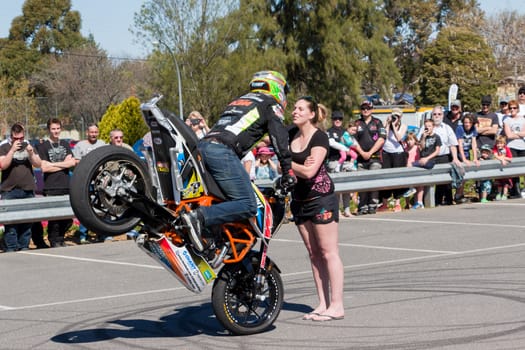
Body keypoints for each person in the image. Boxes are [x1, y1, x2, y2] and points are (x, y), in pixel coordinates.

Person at [181, 71, 296, 252]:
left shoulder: (240, 101)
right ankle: (199, 218)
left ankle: (211, 237)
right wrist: (288, 170)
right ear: (277, 87)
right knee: (247, 204)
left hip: (202, 148)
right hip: (222, 151)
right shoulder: (270, 103)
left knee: (222, 200)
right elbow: (279, 138)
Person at [288, 96, 344, 322]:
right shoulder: (290, 134)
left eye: (300, 109)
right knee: (313, 254)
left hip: (321, 199)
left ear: (311, 114)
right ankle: (323, 303)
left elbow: (310, 172)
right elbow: (301, 168)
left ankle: (337, 305)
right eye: (294, 108)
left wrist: (286, 161)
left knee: (329, 252)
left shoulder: (319, 136)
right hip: (299, 200)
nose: (295, 111)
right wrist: (297, 166)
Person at [0, 122, 42, 252]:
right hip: (9, 190)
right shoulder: (4, 146)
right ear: (11, 136)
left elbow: (38, 164)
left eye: (21, 138)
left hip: (27, 188)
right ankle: (11, 248)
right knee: (11, 223)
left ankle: (24, 246)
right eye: (16, 138)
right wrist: (12, 150)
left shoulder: (28, 145)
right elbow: (3, 165)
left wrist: (31, 154)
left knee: (26, 221)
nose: (19, 141)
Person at [37, 118, 76, 248]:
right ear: (49, 129)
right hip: (51, 187)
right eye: (53, 129)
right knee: (54, 218)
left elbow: (72, 163)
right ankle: (54, 241)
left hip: (65, 185)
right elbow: (44, 168)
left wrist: (54, 164)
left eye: (58, 128)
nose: (56, 131)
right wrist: (63, 164)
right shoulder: (42, 146)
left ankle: (61, 238)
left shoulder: (65, 144)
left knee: (67, 217)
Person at [418, 106, 460, 206]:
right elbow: (419, 145)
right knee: (430, 180)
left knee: (445, 182)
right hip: (429, 158)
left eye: (439, 114)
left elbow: (453, 144)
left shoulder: (446, 128)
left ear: (442, 115)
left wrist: (455, 158)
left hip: (443, 157)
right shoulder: (424, 127)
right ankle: (432, 202)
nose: (437, 116)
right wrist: (423, 136)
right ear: (431, 115)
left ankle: (448, 201)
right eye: (435, 114)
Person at [72, 123, 106, 243]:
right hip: (85, 182)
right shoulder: (80, 146)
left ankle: (101, 234)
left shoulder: (102, 144)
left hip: (100, 182)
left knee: (101, 209)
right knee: (85, 209)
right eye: (91, 132)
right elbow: (76, 162)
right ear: (87, 133)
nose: (93, 134)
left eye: (96, 132)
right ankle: (83, 235)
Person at [353, 100, 386, 215]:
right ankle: (362, 206)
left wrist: (370, 152)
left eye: (368, 108)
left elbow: (382, 139)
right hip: (361, 159)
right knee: (362, 183)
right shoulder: (357, 123)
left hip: (375, 158)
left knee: (373, 181)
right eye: (363, 108)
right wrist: (362, 152)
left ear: (372, 109)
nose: (365, 110)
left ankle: (373, 205)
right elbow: (352, 140)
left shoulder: (377, 122)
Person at [378, 107, 407, 213]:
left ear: (401, 117)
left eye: (398, 116)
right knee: (386, 177)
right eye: (394, 116)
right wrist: (387, 123)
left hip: (398, 153)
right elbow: (383, 136)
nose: (396, 118)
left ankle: (397, 203)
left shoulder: (403, 126)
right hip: (386, 153)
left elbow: (399, 138)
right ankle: (385, 203)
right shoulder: (388, 125)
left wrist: (394, 126)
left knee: (397, 178)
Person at [412, 118, 441, 209]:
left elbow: (437, 151)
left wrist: (427, 158)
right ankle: (419, 201)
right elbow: (422, 148)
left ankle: (410, 187)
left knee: (411, 165)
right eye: (426, 126)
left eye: (429, 126)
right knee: (420, 181)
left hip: (430, 160)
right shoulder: (423, 136)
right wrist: (423, 137)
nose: (427, 128)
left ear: (433, 127)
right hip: (422, 159)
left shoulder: (436, 137)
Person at [502, 99, 525, 198]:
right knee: (515, 170)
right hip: (512, 146)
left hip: (522, 146)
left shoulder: (523, 119)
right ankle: (516, 191)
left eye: (514, 108)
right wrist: (519, 135)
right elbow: (508, 135)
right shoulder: (506, 120)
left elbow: (524, 133)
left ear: (518, 109)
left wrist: (515, 133)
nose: (512, 110)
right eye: (510, 108)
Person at [455, 113, 480, 202]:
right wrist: (464, 159)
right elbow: (460, 145)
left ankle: (460, 194)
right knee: (461, 174)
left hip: (467, 152)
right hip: (459, 153)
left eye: (469, 122)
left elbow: (473, 144)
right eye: (465, 122)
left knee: (465, 175)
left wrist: (475, 158)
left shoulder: (473, 129)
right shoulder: (460, 129)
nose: (467, 124)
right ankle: (458, 194)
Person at [492, 135, 513, 200]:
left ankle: (505, 194)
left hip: (506, 169)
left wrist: (503, 158)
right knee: (499, 183)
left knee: (506, 183)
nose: (499, 145)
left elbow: (510, 158)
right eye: (498, 143)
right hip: (498, 168)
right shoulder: (495, 148)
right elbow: (495, 156)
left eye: (501, 143)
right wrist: (502, 160)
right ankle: (499, 193)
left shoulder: (507, 149)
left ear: (504, 143)